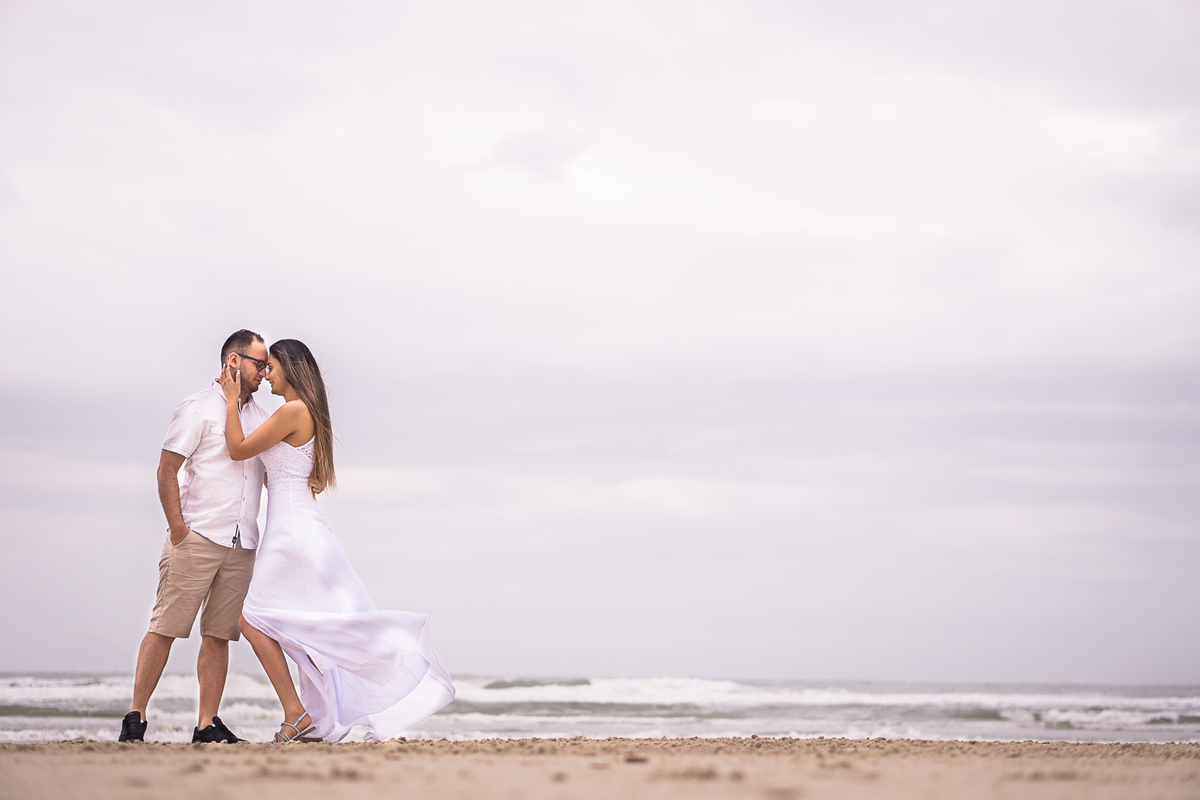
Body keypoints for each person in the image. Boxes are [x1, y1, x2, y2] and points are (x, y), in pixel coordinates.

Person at [217, 338, 454, 742]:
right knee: (302, 627)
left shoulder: (293, 410)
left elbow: (238, 449)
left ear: (290, 367)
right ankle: (316, 716)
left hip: (292, 534)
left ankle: (297, 714)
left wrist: (229, 400)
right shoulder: (301, 412)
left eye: (271, 366)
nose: (267, 374)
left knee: (252, 619)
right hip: (295, 527)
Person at [120, 330, 271, 744]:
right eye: (259, 364)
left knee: (219, 635)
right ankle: (136, 717)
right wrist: (178, 530)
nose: (264, 372)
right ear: (233, 361)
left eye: (266, 366)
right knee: (165, 627)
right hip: (197, 535)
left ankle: (206, 723)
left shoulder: (262, 417)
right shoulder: (197, 408)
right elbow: (166, 470)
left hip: (242, 542)